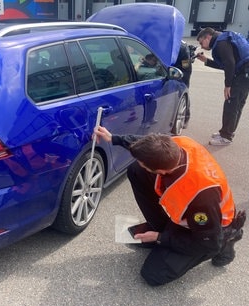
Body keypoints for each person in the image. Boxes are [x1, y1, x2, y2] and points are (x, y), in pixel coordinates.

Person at [94, 126, 246, 286]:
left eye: (145, 164)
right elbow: (150, 146)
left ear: (160, 170)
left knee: (152, 274)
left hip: (211, 230)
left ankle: (229, 238)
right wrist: (115, 138)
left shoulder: (200, 197)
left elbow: (208, 242)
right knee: (136, 170)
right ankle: (163, 229)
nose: (141, 163)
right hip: (194, 213)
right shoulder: (177, 144)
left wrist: (161, 238)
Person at [196, 27, 249, 146]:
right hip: (245, 73)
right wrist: (206, 60)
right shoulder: (224, 38)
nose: (202, 46)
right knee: (236, 104)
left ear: (208, 37)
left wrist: (228, 85)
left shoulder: (220, 43)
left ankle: (226, 137)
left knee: (231, 103)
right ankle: (226, 132)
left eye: (201, 42)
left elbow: (230, 64)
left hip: (243, 73)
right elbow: (226, 63)